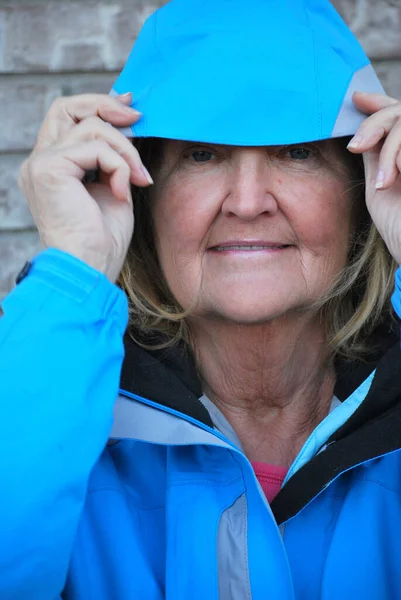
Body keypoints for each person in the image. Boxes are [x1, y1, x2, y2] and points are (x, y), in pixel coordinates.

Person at [2, 0, 401, 597]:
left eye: (296, 153)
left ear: (362, 189)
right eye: (201, 155)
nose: (246, 201)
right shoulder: (49, 397)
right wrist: (74, 275)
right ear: (142, 193)